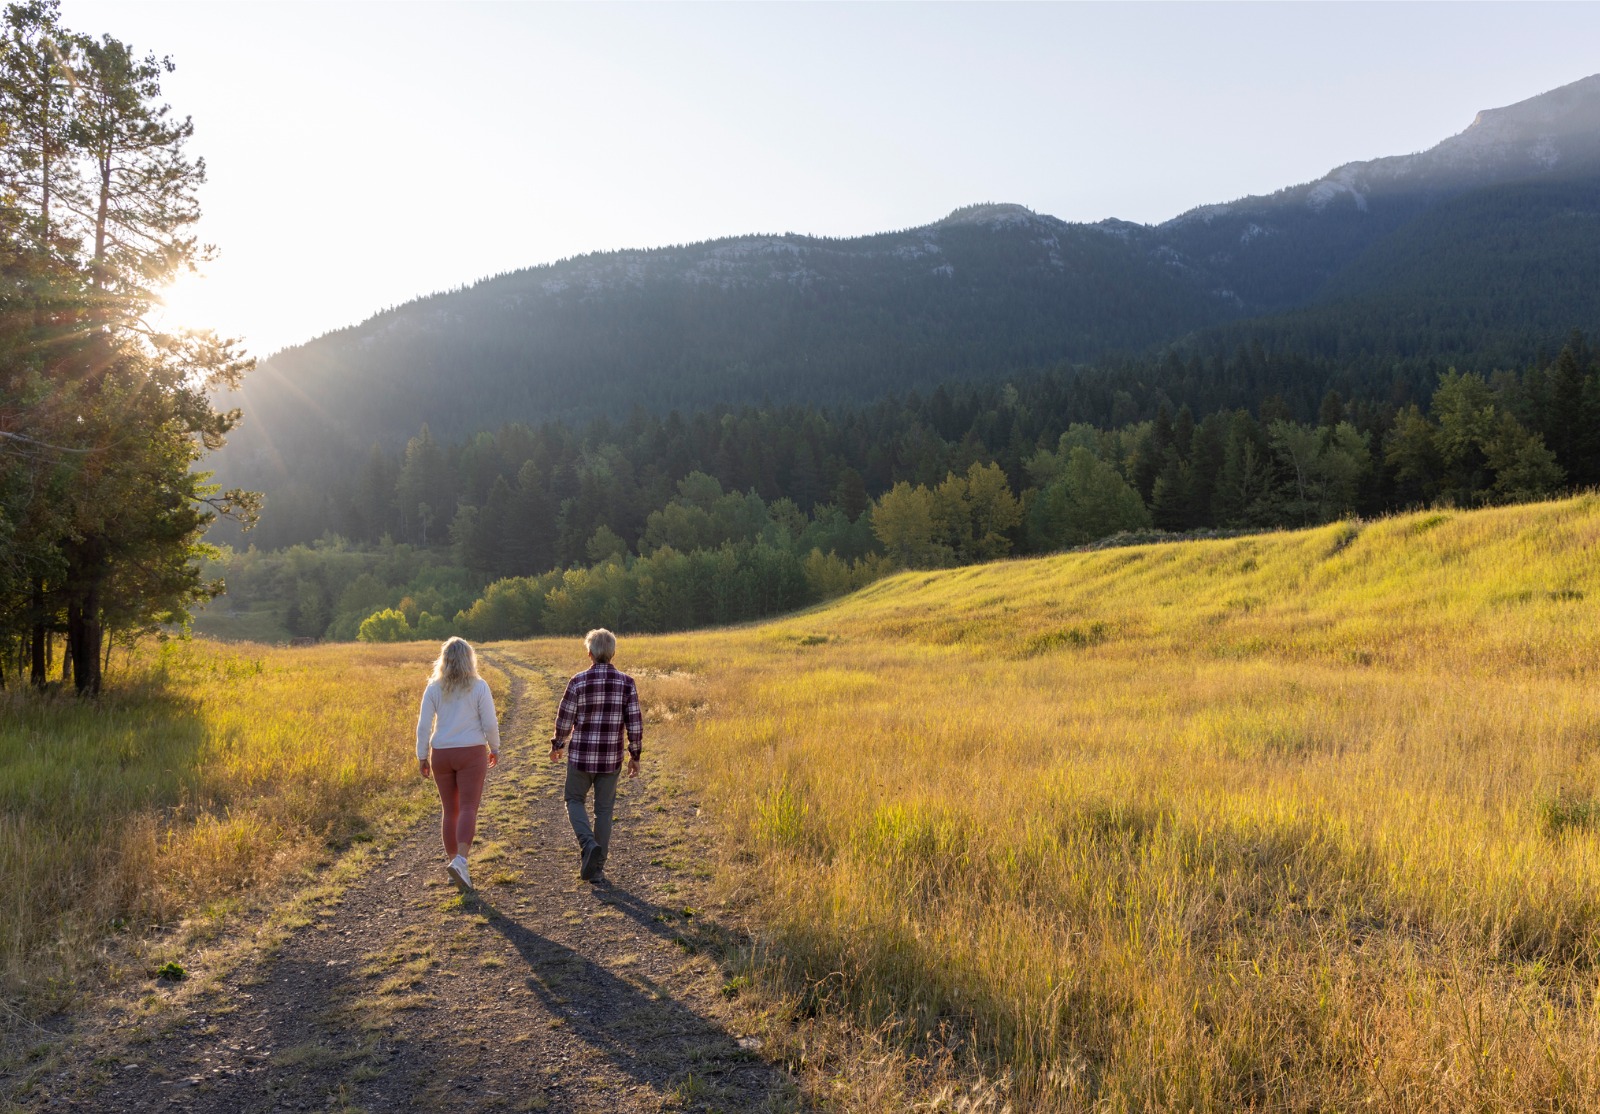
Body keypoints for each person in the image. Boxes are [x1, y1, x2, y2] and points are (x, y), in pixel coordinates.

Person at [550, 628, 643, 883]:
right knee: (604, 810)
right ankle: (598, 866)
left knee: (573, 799)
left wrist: (558, 745)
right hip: (610, 759)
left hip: (580, 757)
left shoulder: (577, 681)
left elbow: (565, 718)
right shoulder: (627, 683)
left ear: (589, 653)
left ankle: (588, 844)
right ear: (612, 653)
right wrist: (634, 755)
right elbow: (634, 723)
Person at [416, 637, 500, 892]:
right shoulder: (479, 686)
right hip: (471, 753)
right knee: (467, 808)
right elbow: (490, 723)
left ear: (444, 660)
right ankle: (461, 861)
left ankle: (454, 862)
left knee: (449, 810)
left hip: (441, 753)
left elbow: (423, 726)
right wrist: (494, 747)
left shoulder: (434, 688)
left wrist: (422, 755)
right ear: (469, 659)